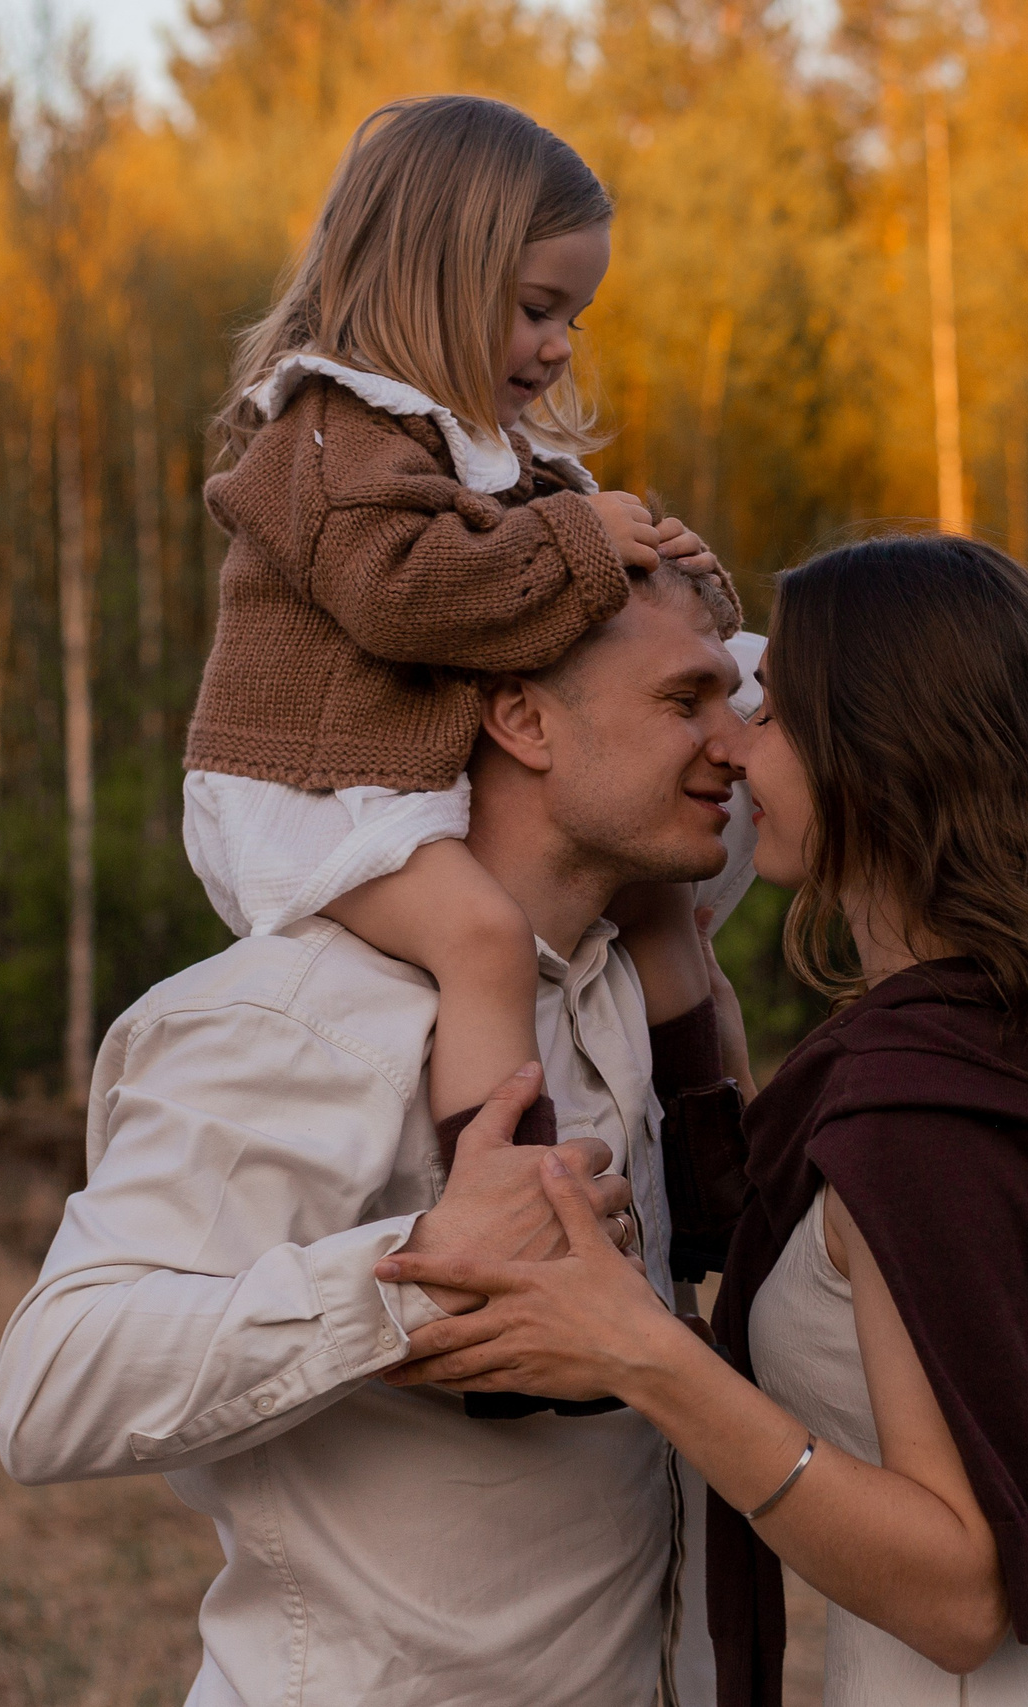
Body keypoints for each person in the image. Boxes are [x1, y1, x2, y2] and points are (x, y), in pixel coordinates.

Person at [375, 535, 1028, 1706]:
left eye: (776, 715)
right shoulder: (1001, 1032)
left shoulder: (924, 1112)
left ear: (883, 755)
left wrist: (637, 1351)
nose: (735, 748)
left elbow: (960, 1596)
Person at [0, 562, 753, 1706]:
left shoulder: (623, 978)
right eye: (684, 700)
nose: (731, 744)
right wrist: (410, 1285)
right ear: (520, 718)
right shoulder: (290, 1013)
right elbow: (52, 1383)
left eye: (733, 704)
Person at [182, 91, 738, 1146]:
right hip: (305, 785)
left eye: (573, 318)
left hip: (391, 771)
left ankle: (714, 1163)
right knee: (484, 939)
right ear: (427, 281)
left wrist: (678, 581)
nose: (559, 345)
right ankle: (507, 1196)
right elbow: (402, 597)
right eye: (536, 308)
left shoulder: (481, 453)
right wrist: (581, 539)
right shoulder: (331, 432)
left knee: (658, 904)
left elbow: (561, 613)